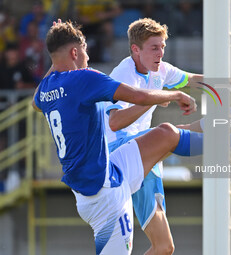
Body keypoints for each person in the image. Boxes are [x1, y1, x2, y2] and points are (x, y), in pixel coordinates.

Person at [104, 18, 231, 255]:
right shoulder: (123, 75)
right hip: (119, 156)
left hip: (146, 159)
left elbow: (197, 80)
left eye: (163, 46)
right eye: (155, 48)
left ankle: (229, 132)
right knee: (169, 132)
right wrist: (159, 97)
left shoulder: (160, 70)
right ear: (136, 49)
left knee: (164, 247)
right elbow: (114, 123)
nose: (161, 53)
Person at [32, 20, 205, 255]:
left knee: (166, 134)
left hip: (109, 171)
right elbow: (137, 97)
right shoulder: (84, 78)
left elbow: (35, 102)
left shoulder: (45, 90)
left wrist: (56, 58)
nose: (87, 57)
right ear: (74, 52)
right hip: (104, 195)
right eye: (84, 51)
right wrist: (174, 94)